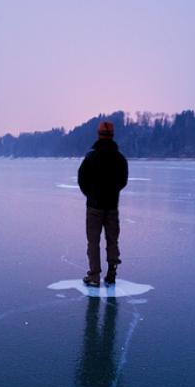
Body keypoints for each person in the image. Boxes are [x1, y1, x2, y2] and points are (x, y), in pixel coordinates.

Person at [77, 120, 129, 287]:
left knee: (93, 242)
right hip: (112, 206)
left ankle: (94, 276)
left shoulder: (91, 157)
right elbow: (123, 181)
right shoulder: (120, 158)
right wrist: (113, 192)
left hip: (94, 207)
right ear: (112, 136)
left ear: (98, 135)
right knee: (112, 240)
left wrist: (90, 194)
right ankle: (111, 274)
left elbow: (81, 179)